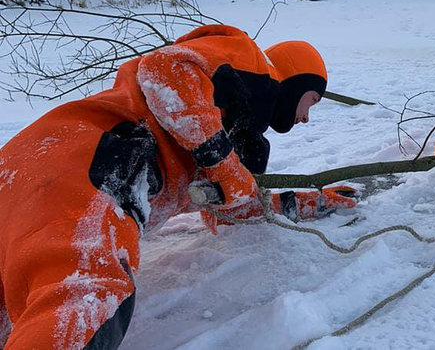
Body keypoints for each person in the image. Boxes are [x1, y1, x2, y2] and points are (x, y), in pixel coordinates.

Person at [0, 24, 357, 349]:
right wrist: (223, 163)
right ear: (297, 81)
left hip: (20, 172)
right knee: (85, 300)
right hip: (81, 167)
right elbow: (164, 70)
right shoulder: (251, 63)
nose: (307, 117)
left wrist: (313, 201)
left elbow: (234, 209)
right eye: (313, 100)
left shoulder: (219, 125)